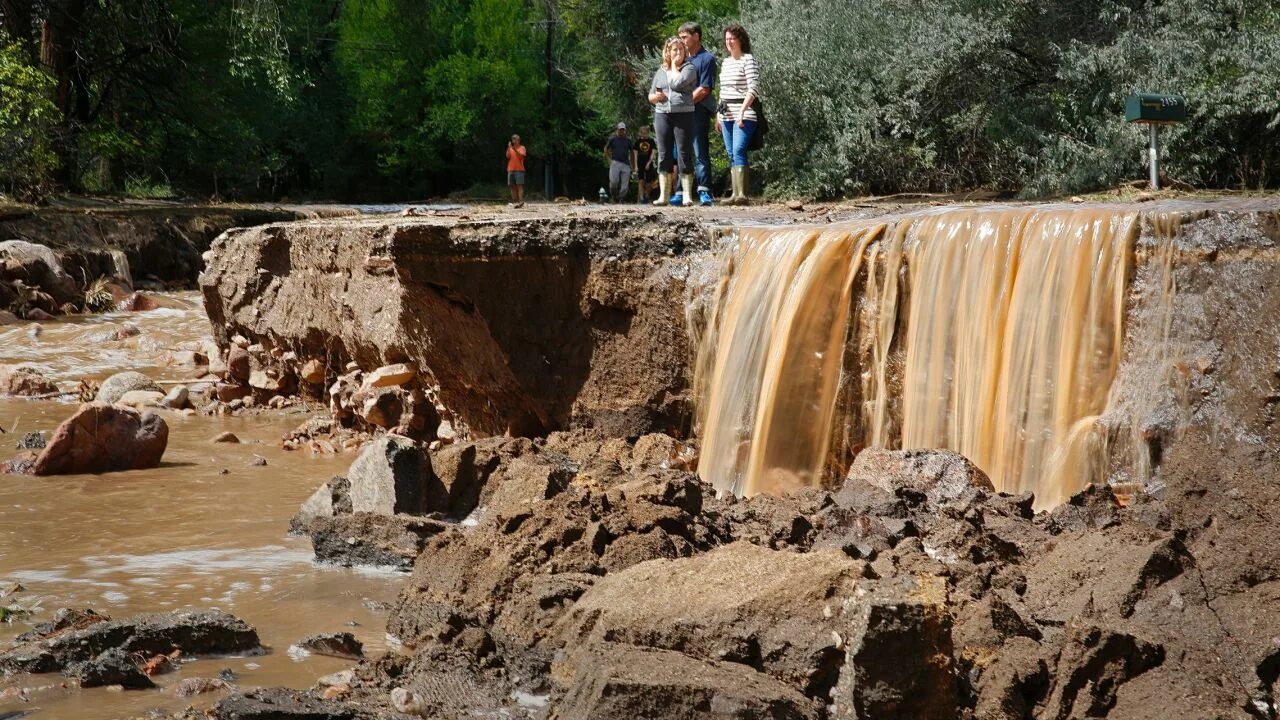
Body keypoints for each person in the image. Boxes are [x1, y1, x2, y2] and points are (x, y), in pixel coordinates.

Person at [648, 36, 697, 206]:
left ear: (685, 51)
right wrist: (656, 97)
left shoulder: (689, 68)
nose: (677, 52)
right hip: (662, 114)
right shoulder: (660, 71)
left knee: (684, 153)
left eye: (681, 49)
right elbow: (650, 95)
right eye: (674, 49)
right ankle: (663, 196)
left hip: (684, 114)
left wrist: (675, 66)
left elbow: (678, 82)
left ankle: (686, 195)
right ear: (667, 52)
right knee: (663, 154)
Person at [716, 22, 760, 205]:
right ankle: (735, 194)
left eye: (732, 38)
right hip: (726, 112)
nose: (728, 42)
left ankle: (742, 194)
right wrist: (718, 115)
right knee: (731, 152)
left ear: (740, 39)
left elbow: (754, 89)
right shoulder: (725, 63)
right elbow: (723, 91)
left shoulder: (748, 60)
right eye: (726, 39)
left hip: (745, 112)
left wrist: (742, 112)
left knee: (739, 149)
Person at [678, 22, 717, 206]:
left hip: (698, 112)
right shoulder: (681, 59)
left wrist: (684, 102)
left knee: (700, 151)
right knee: (680, 152)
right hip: (680, 114)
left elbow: (705, 89)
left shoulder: (707, 59)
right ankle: (681, 192)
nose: (682, 41)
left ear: (696, 36)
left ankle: (704, 191)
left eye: (684, 37)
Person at [603, 123, 632, 202]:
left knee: (625, 186)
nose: (622, 131)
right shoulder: (612, 139)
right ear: (617, 130)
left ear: (625, 130)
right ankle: (614, 196)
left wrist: (633, 164)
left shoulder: (628, 140)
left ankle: (621, 199)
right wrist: (609, 159)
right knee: (613, 182)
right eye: (620, 129)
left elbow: (632, 152)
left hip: (626, 164)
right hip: (615, 162)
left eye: (623, 129)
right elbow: (605, 148)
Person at [631, 125, 657, 204]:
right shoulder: (637, 142)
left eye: (646, 133)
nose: (644, 134)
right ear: (640, 133)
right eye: (643, 133)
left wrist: (649, 162)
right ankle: (642, 199)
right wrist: (635, 166)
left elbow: (653, 152)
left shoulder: (651, 141)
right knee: (641, 181)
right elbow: (635, 154)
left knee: (649, 182)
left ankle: (646, 194)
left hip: (648, 163)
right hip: (640, 163)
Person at [505, 134, 527, 207]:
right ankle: (514, 201)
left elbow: (521, 156)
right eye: (513, 139)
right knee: (512, 186)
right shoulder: (510, 148)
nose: (514, 141)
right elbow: (507, 156)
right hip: (510, 169)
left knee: (519, 186)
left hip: (519, 169)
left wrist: (514, 149)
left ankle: (521, 201)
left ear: (519, 140)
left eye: (516, 139)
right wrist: (509, 148)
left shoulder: (522, 148)